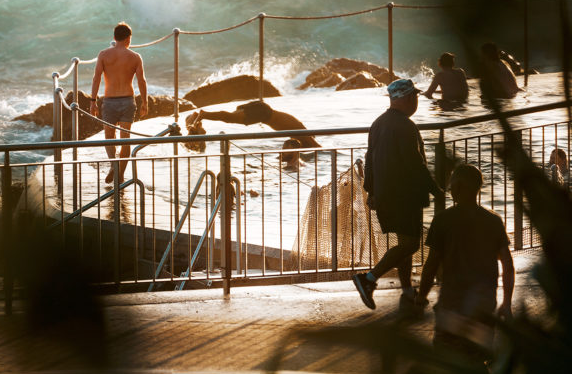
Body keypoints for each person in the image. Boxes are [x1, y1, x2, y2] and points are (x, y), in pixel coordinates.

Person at [353, 79, 444, 310]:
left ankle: (406, 290)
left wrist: (371, 191)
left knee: (404, 242)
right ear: (404, 98)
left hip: (386, 194)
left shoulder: (378, 123)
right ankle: (369, 279)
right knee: (411, 244)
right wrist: (436, 189)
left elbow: (370, 160)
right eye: (414, 96)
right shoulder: (405, 125)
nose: (416, 101)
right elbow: (416, 164)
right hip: (404, 195)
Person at [415, 164, 514, 363]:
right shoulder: (493, 221)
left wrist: (421, 298)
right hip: (484, 306)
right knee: (478, 358)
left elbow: (431, 265)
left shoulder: (443, 220)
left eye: (451, 185)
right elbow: (508, 265)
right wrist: (506, 303)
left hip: (452, 305)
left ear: (459, 187)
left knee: (446, 361)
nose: (450, 189)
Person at [90, 22, 148, 184]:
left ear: (114, 37)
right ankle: (120, 172)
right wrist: (145, 102)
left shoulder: (103, 55)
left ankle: (114, 166)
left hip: (109, 101)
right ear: (129, 38)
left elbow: (97, 78)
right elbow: (141, 81)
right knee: (125, 139)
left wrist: (93, 101)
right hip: (128, 101)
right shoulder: (135, 57)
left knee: (109, 137)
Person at [186, 100, 321, 149]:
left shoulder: (300, 132)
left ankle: (203, 115)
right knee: (229, 118)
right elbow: (316, 147)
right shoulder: (305, 138)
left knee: (229, 117)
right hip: (263, 113)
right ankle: (203, 114)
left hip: (264, 110)